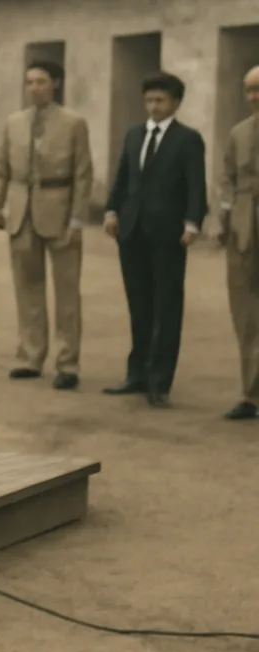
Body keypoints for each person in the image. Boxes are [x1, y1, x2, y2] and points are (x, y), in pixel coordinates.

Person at [0, 60, 93, 389]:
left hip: (59, 211)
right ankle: (30, 357)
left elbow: (83, 173)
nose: (35, 88)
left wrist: (77, 218)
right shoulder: (14, 122)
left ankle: (67, 363)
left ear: (56, 84)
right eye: (29, 82)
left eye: (42, 81)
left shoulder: (74, 123)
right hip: (22, 213)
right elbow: (1, 167)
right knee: (27, 288)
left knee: (66, 292)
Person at [102, 72, 207, 408]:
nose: (154, 106)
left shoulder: (187, 139)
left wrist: (193, 222)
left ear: (176, 102)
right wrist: (111, 211)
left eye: (160, 100)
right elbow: (122, 177)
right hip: (131, 230)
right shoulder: (134, 135)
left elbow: (196, 184)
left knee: (167, 304)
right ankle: (137, 374)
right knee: (139, 303)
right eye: (149, 100)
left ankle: (159, 380)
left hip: (168, 233)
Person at [216, 65, 259, 420]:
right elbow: (227, 177)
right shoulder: (239, 133)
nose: (254, 97)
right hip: (244, 232)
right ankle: (251, 395)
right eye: (249, 90)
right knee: (246, 315)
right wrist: (225, 216)